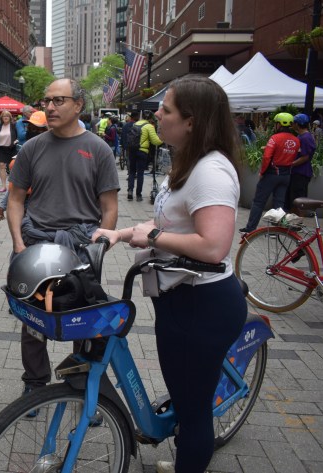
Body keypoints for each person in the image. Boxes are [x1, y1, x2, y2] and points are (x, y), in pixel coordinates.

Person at [94, 76, 247, 473]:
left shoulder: (211, 171)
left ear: (191, 121)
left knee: (194, 412)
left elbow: (214, 246)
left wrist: (156, 236)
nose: (156, 114)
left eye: (166, 109)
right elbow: (169, 221)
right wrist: (120, 234)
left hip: (202, 305)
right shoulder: (187, 161)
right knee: (184, 396)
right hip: (178, 299)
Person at [7, 78, 119, 408]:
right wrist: (18, 244)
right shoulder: (31, 148)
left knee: (85, 323)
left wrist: (100, 248)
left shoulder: (98, 149)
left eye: (59, 101)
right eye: (47, 101)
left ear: (78, 105)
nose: (50, 107)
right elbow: (15, 199)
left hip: (80, 247)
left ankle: (82, 386)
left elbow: (109, 207)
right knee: (33, 321)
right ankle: (35, 383)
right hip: (36, 245)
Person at [240, 112, 300, 233]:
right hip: (286, 174)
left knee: (258, 201)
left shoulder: (275, 138)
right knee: (279, 203)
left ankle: (250, 228)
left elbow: (267, 157)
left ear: (278, 124)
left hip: (272, 173)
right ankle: (276, 230)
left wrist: (262, 172)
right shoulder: (296, 140)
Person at [0, 110, 48, 221]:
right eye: (31, 128)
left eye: (39, 129)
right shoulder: (25, 151)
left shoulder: (52, 153)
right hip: (23, 204)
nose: (33, 132)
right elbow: (16, 183)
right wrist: (3, 204)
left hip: (43, 207)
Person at [128, 109, 162, 202]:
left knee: (131, 171)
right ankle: (138, 195)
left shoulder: (135, 124)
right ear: (150, 118)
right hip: (142, 151)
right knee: (140, 173)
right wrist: (163, 139)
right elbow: (155, 141)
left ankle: (130, 191)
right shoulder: (149, 126)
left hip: (132, 150)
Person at [286, 113, 316, 213]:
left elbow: (305, 157)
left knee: (299, 199)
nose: (292, 124)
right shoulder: (301, 136)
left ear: (298, 124)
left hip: (301, 173)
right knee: (293, 198)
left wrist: (291, 164)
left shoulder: (305, 138)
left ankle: (298, 221)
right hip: (296, 172)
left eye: (293, 123)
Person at [0, 110, 17, 193]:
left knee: (12, 167)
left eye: (7, 116)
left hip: (12, 148)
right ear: (1, 118)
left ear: (10, 118)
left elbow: (18, 136)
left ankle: (13, 185)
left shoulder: (14, 126)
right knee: (2, 166)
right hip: (2, 149)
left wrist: (16, 141)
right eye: (4, 116)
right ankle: (3, 186)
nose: (6, 117)